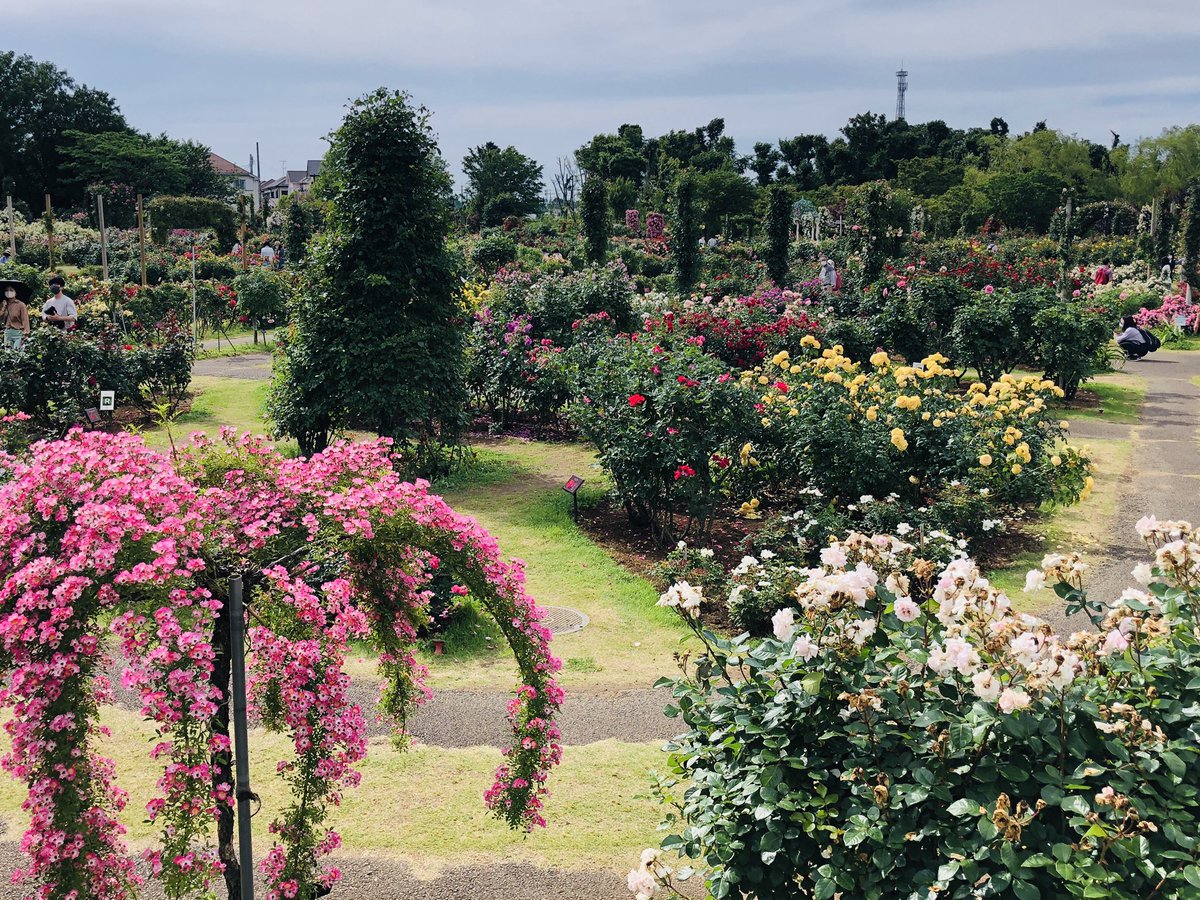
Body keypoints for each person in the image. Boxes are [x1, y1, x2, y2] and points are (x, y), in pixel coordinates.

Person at [1, 279, 30, 350]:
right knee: (7, 355)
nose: (8, 292)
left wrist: (26, 334)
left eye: (11, 290)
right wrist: (3, 307)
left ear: (15, 293)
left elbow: (25, 319)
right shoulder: (3, 304)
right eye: (7, 290)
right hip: (7, 332)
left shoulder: (21, 305)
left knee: (17, 354)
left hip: (18, 333)